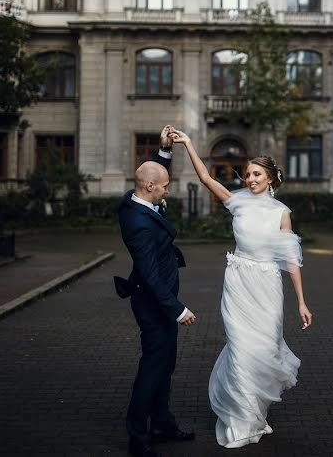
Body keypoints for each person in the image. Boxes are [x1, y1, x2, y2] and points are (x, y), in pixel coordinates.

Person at [169, 127, 312, 448]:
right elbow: (206, 178)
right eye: (248, 174)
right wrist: (189, 143)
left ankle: (255, 411)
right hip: (238, 283)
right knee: (242, 347)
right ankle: (242, 417)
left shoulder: (282, 214)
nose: (251, 179)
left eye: (257, 174)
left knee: (264, 348)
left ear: (271, 178)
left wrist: (302, 301)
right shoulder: (237, 202)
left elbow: (291, 260)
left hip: (267, 287)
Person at [115, 126, 196, 457]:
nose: (167, 191)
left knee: (166, 364)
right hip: (152, 303)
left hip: (159, 299)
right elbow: (149, 276)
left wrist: (165, 152)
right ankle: (137, 436)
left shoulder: (138, 200)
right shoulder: (138, 224)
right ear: (150, 187)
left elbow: (152, 176)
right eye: (163, 187)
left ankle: (162, 424)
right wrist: (177, 309)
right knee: (153, 367)